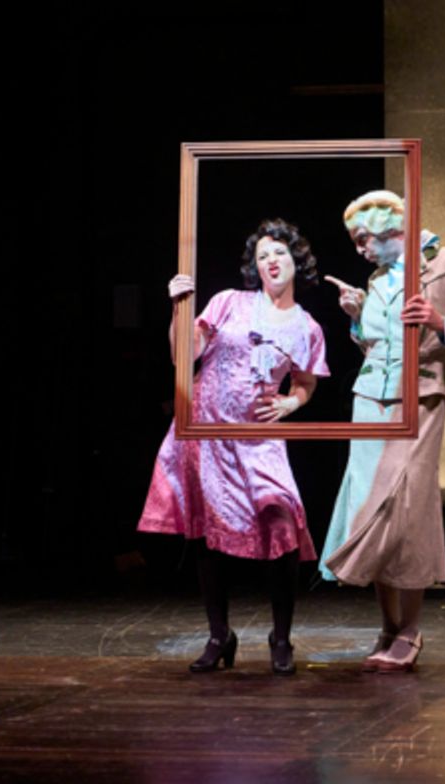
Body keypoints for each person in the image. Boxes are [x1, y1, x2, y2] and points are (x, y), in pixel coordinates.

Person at [138, 218, 328, 676]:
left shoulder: (307, 326)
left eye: (278, 253)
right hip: (209, 433)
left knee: (280, 520)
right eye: (262, 256)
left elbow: (305, 383)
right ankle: (219, 635)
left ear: (294, 261)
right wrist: (179, 309)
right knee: (208, 533)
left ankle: (280, 637)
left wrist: (290, 404)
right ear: (256, 267)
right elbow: (184, 354)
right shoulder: (229, 303)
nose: (271, 261)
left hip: (259, 438)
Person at [318, 190, 445, 673]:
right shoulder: (375, 279)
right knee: (373, 509)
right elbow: (376, 348)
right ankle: (388, 625)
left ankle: (411, 627)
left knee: (408, 508)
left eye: (362, 239)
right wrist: (356, 320)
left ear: (389, 227)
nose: (359, 250)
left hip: (422, 400)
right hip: (370, 403)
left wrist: (440, 321)